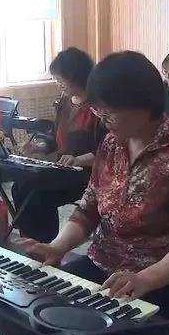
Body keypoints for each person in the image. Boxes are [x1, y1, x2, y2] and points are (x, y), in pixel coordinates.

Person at [13, 51, 169, 335]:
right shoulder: (111, 144)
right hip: (103, 265)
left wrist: (145, 279)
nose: (100, 117)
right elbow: (88, 208)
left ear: (142, 105)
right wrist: (57, 247)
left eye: (107, 110)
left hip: (161, 281)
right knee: (27, 319)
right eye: (97, 108)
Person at [11, 47, 106, 243]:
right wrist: (38, 146)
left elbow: (107, 151)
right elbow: (55, 137)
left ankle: (45, 247)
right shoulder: (65, 101)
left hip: (86, 173)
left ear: (76, 77)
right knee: (19, 186)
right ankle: (30, 242)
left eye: (61, 80)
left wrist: (77, 159)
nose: (58, 83)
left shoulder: (99, 107)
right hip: (63, 169)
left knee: (38, 195)